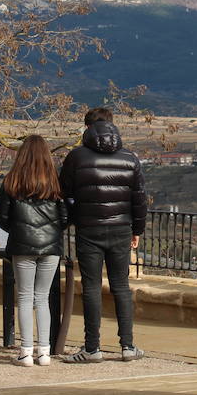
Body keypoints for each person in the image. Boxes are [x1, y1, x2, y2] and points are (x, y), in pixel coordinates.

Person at [58, 106, 147, 363]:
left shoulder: (76, 157)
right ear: (112, 125)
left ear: (87, 128)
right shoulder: (130, 158)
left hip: (88, 229)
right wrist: (137, 230)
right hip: (121, 228)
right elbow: (139, 200)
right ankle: (128, 346)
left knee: (91, 287)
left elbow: (63, 193)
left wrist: (73, 219)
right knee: (121, 287)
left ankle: (92, 347)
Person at [0, 135, 67, 367]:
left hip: (22, 245)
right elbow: (65, 217)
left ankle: (26, 351)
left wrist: (17, 231)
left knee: (25, 297)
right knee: (42, 298)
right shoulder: (55, 182)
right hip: (50, 246)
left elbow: (2, 216)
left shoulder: (11, 182)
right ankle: (44, 351)